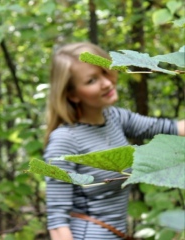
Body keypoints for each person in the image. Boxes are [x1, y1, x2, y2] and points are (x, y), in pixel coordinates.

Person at [43, 42, 185, 240]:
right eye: (92, 80)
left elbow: (174, 128)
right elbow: (57, 222)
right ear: (73, 95)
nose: (107, 83)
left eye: (105, 72)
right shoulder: (65, 139)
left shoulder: (115, 117)